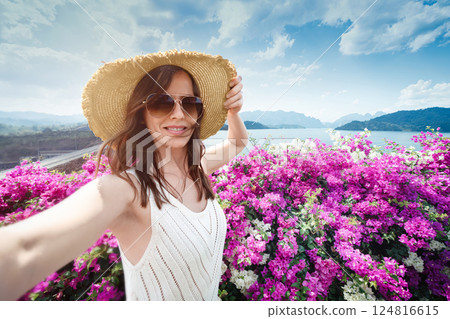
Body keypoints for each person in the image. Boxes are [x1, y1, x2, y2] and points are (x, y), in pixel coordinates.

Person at [0, 50, 247, 301]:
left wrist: (233, 113)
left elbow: (237, 143)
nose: (178, 114)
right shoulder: (128, 190)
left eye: (190, 103)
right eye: (161, 102)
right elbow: (24, 252)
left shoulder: (198, 166)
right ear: (141, 113)